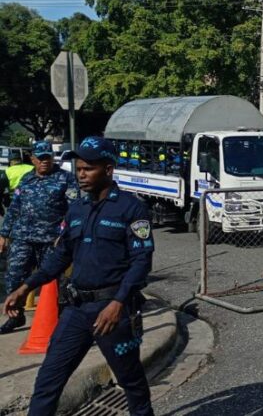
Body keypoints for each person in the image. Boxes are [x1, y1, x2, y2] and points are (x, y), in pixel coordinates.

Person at [3, 136, 155, 415]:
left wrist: (118, 303)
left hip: (112, 312)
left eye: (88, 169)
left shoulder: (131, 208)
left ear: (108, 169)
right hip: (76, 310)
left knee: (130, 381)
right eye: (79, 168)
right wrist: (25, 287)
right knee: (48, 380)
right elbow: (61, 256)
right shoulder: (76, 209)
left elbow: (141, 261)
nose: (81, 174)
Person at [0, 143, 78, 333]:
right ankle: (16, 316)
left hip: (51, 239)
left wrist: (64, 233)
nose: (44, 161)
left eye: (47, 157)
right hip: (23, 237)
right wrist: (3, 234)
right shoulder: (27, 179)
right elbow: (14, 208)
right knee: (14, 277)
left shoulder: (65, 178)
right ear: (33, 159)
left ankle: (59, 320)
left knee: (53, 282)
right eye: (40, 158)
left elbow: (74, 210)